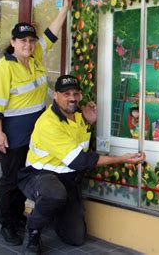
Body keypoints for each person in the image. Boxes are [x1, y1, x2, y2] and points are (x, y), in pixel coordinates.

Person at [17, 75, 146, 254]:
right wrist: (121, 159)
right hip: (39, 176)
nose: (72, 98)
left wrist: (89, 122)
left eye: (76, 93)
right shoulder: (48, 123)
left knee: (75, 238)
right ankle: (33, 230)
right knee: (54, 194)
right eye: (66, 94)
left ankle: (51, 213)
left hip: (67, 179)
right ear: (55, 95)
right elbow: (80, 161)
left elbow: (80, 147)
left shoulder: (79, 117)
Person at [0, 0, 74, 246]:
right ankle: (8, 224)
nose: (28, 44)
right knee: (11, 180)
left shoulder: (34, 59)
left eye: (31, 40)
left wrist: (64, 9)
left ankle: (19, 217)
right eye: (23, 40)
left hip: (35, 135)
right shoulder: (4, 67)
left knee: (28, 176)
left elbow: (51, 35)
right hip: (12, 133)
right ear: (13, 42)